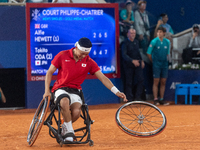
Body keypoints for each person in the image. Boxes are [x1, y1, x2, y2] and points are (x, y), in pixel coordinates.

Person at [43, 37, 127, 142]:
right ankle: (69, 132)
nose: (83, 56)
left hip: (75, 90)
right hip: (60, 88)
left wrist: (116, 91)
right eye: (81, 53)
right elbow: (49, 72)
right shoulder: (62, 55)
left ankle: (65, 127)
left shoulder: (89, 62)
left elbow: (103, 78)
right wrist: (47, 91)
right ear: (76, 47)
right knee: (65, 101)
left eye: (86, 54)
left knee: (77, 112)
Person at [147, 27, 170, 105]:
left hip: (164, 64)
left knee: (163, 81)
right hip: (156, 64)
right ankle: (155, 99)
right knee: (156, 81)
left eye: (160, 32)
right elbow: (148, 53)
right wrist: (153, 61)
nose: (159, 34)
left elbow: (168, 54)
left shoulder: (167, 42)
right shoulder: (154, 41)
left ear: (164, 33)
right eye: (158, 32)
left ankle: (162, 99)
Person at [121, 28, 145, 101]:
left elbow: (138, 52)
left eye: (134, 33)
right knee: (129, 82)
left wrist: (142, 61)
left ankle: (138, 97)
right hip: (128, 65)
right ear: (128, 34)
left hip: (137, 64)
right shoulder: (124, 43)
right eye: (131, 33)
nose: (132, 35)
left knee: (140, 80)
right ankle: (129, 98)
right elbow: (124, 55)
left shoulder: (136, 42)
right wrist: (132, 61)